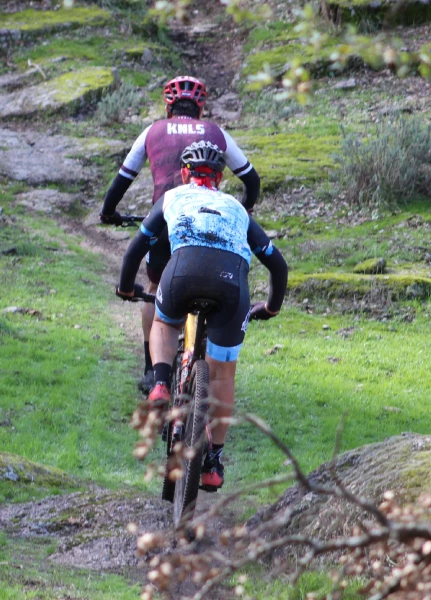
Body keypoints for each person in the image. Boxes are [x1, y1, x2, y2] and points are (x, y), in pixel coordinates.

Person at [114, 141, 287, 491]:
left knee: (164, 322)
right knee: (223, 374)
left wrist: (126, 287)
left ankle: (161, 383)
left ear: (183, 173)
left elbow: (137, 247)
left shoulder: (174, 196)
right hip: (231, 285)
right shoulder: (238, 209)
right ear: (221, 178)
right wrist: (271, 306)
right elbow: (277, 264)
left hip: (183, 272)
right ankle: (213, 462)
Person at [99, 76, 263, 394]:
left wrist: (109, 213)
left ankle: (152, 370)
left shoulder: (153, 131)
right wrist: (245, 209)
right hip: (211, 225)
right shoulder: (216, 133)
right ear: (200, 107)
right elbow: (251, 179)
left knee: (157, 286)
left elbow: (123, 177)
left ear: (168, 104)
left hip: (164, 226)